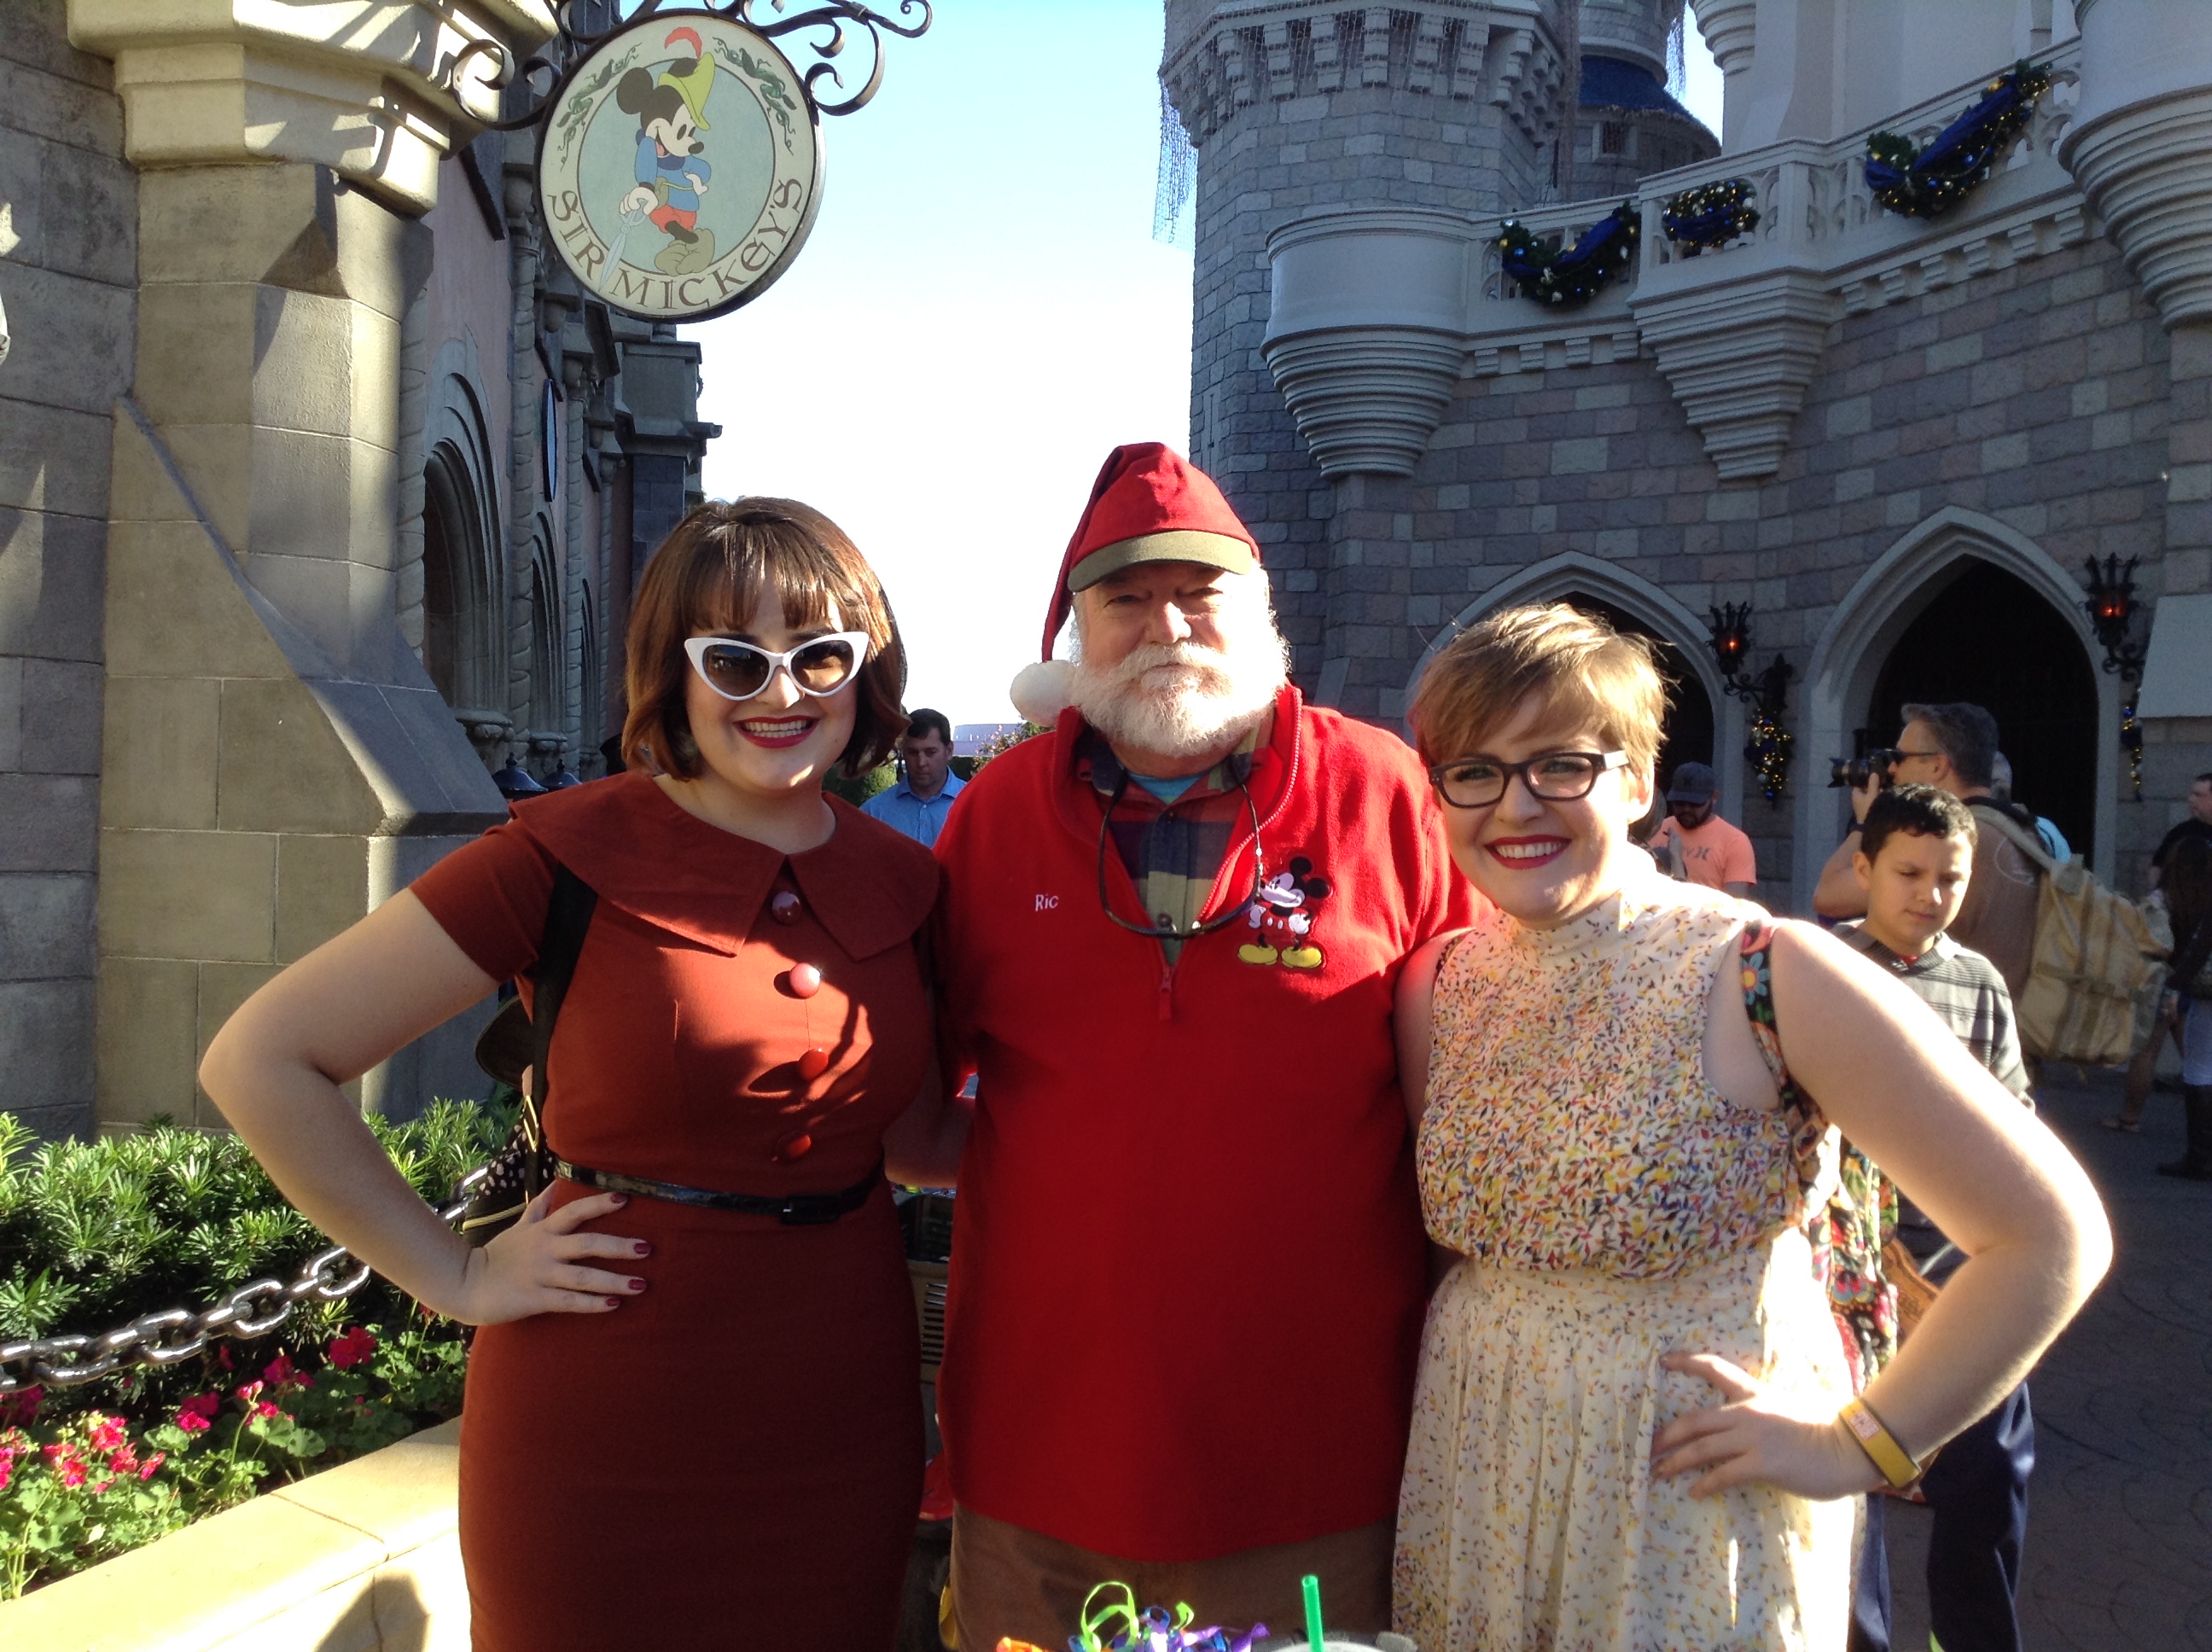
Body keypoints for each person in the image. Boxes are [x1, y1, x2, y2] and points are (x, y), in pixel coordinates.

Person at [199, 498, 971, 1651]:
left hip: (839, 1417)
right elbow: (263, 1059)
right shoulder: (560, 854)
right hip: (599, 1426)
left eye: (818, 655)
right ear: (674, 672)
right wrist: (455, 1274)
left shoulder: (907, 883)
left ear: (866, 672)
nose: (781, 691)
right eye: (735, 659)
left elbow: (912, 1143)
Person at [1391, 604, 2110, 1652]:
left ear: (1638, 781)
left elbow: (2048, 1236)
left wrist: (1858, 1446)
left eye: (1561, 764)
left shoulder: (1765, 970)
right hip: (1477, 1483)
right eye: (1475, 771)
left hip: (1687, 1513)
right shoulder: (1439, 985)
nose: (1516, 803)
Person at [930, 443, 1476, 1650]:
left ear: (1261, 609)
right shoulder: (995, 815)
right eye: (1127, 598)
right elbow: (908, 1096)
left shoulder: (1384, 792)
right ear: (1075, 630)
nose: (1167, 625)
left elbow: (1480, 1100)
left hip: (1318, 1459)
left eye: (1199, 592)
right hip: (1041, 1454)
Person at [1831, 785, 2035, 1652]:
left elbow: (2013, 1117)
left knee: (1987, 1477)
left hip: (1957, 1270)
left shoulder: (1978, 982)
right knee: (1849, 1484)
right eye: (1908, 873)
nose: (1930, 893)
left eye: (1949, 877)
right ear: (1865, 869)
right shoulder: (1823, 967)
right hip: (1844, 1273)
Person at [1813, 701, 2041, 1001]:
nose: (1891, 768)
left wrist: (1865, 823)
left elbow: (1827, 897)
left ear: (1937, 766)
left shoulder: (1950, 842)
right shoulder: (2026, 831)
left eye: (1900, 757)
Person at [2116, 774, 2212, 1130]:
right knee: (2198, 1057)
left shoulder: (2164, 898)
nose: (2191, 799)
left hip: (2167, 974)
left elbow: (2149, 926)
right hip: (2196, 976)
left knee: (2149, 1049)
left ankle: (2131, 1118)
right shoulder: (2204, 898)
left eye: (2199, 793)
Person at [2153, 835, 2212, 1179]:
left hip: (2207, 994)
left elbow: (2201, 947)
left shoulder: (2197, 901)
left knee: (2199, 1069)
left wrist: (2174, 986)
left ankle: (2200, 1157)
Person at [1647, 759, 1757, 895]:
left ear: (1714, 798)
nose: (1686, 809)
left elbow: (1735, 902)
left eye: (1695, 804)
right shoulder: (1655, 829)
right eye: (1679, 803)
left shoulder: (1735, 842)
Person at [863, 706, 965, 846]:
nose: (921, 762)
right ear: (903, 752)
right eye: (912, 752)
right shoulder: (874, 812)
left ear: (949, 750)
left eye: (930, 752)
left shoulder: (974, 805)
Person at [1988, 752, 2069, 861]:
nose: (2000, 786)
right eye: (1994, 782)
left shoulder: (1973, 828)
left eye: (1995, 782)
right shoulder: (2046, 828)